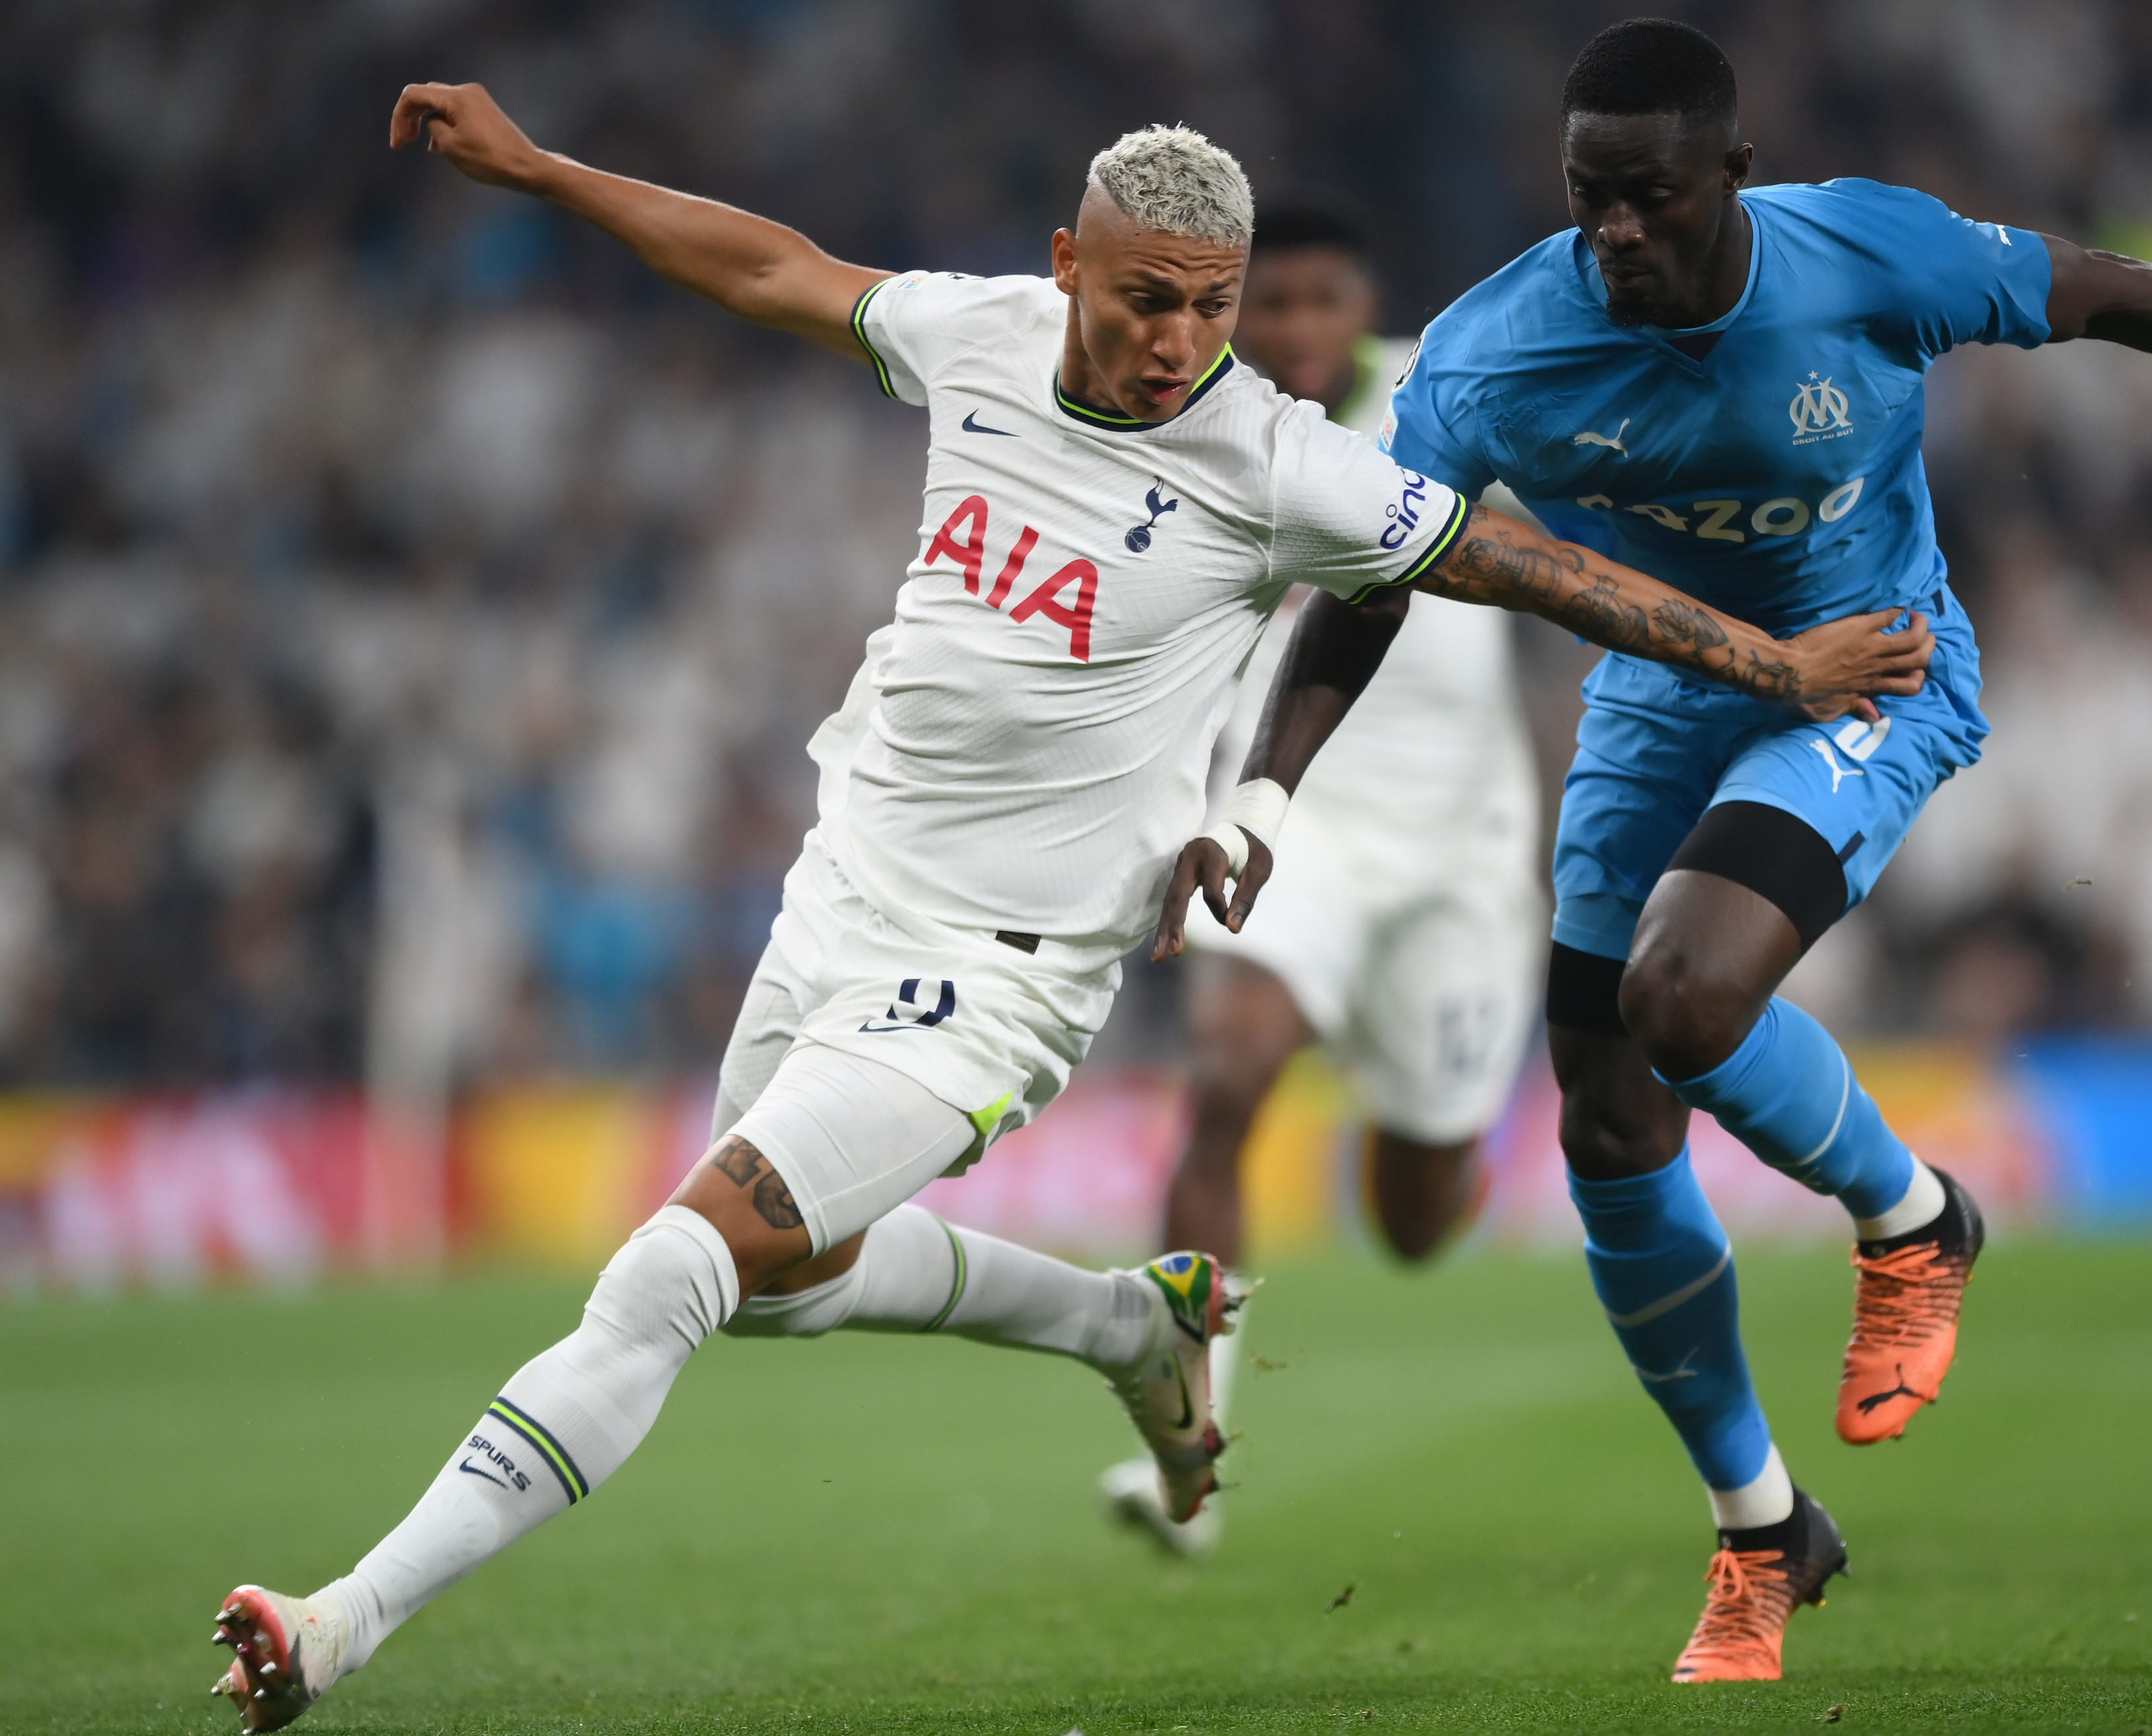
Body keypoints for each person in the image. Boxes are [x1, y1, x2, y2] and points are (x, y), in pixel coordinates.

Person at [202, 83, 1939, 1732]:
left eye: (1207, 306)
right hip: (842, 902)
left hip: (999, 978)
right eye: (1140, 301)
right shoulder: (975, 341)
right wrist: (545, 173)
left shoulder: (1277, 462)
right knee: (785, 1284)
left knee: (673, 1266)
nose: (1175, 339)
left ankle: (338, 1617)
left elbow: (1526, 565)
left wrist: (1771, 659)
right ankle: (1130, 1321)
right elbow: (765, 266)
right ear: (1064, 268)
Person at [1215, 19, 2152, 1684]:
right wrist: (1265, 796)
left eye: (1642, 197)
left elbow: (2089, 287)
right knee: (1609, 1107)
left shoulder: (1863, 254)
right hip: (1664, 692)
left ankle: (1913, 1216)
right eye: (1585, 200)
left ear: (1730, 179)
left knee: (1682, 998)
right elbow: (1371, 573)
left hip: (1877, 665)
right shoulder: (1494, 352)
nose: (1610, 231)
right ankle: (1762, 1527)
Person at [1100, 204, 1545, 1558]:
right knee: (1225, 1080)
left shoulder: (1454, 397)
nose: (1292, 328)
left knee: (1414, 1220)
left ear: (1365, 306)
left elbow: (1595, 528)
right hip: (1292, 822)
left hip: (1458, 857)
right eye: (1266, 302)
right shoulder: (1185, 423)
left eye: (1318, 300)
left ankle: (1411, 1101)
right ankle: (1187, 1443)